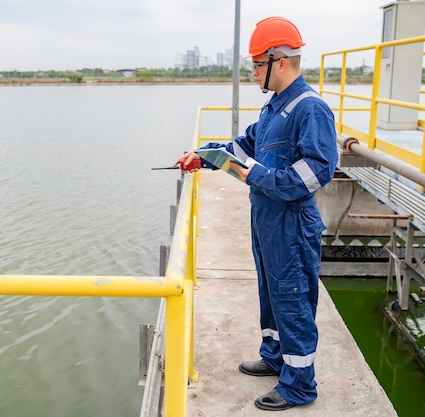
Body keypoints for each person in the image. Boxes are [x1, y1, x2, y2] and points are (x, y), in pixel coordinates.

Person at [176, 16, 338, 411]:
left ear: (279, 60)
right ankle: (275, 356)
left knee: (292, 297)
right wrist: (205, 156)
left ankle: (299, 385)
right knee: (271, 292)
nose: (252, 72)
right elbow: (243, 146)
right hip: (266, 220)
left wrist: (258, 175)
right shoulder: (274, 109)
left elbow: (318, 171)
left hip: (292, 225)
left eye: (256, 64)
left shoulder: (310, 109)